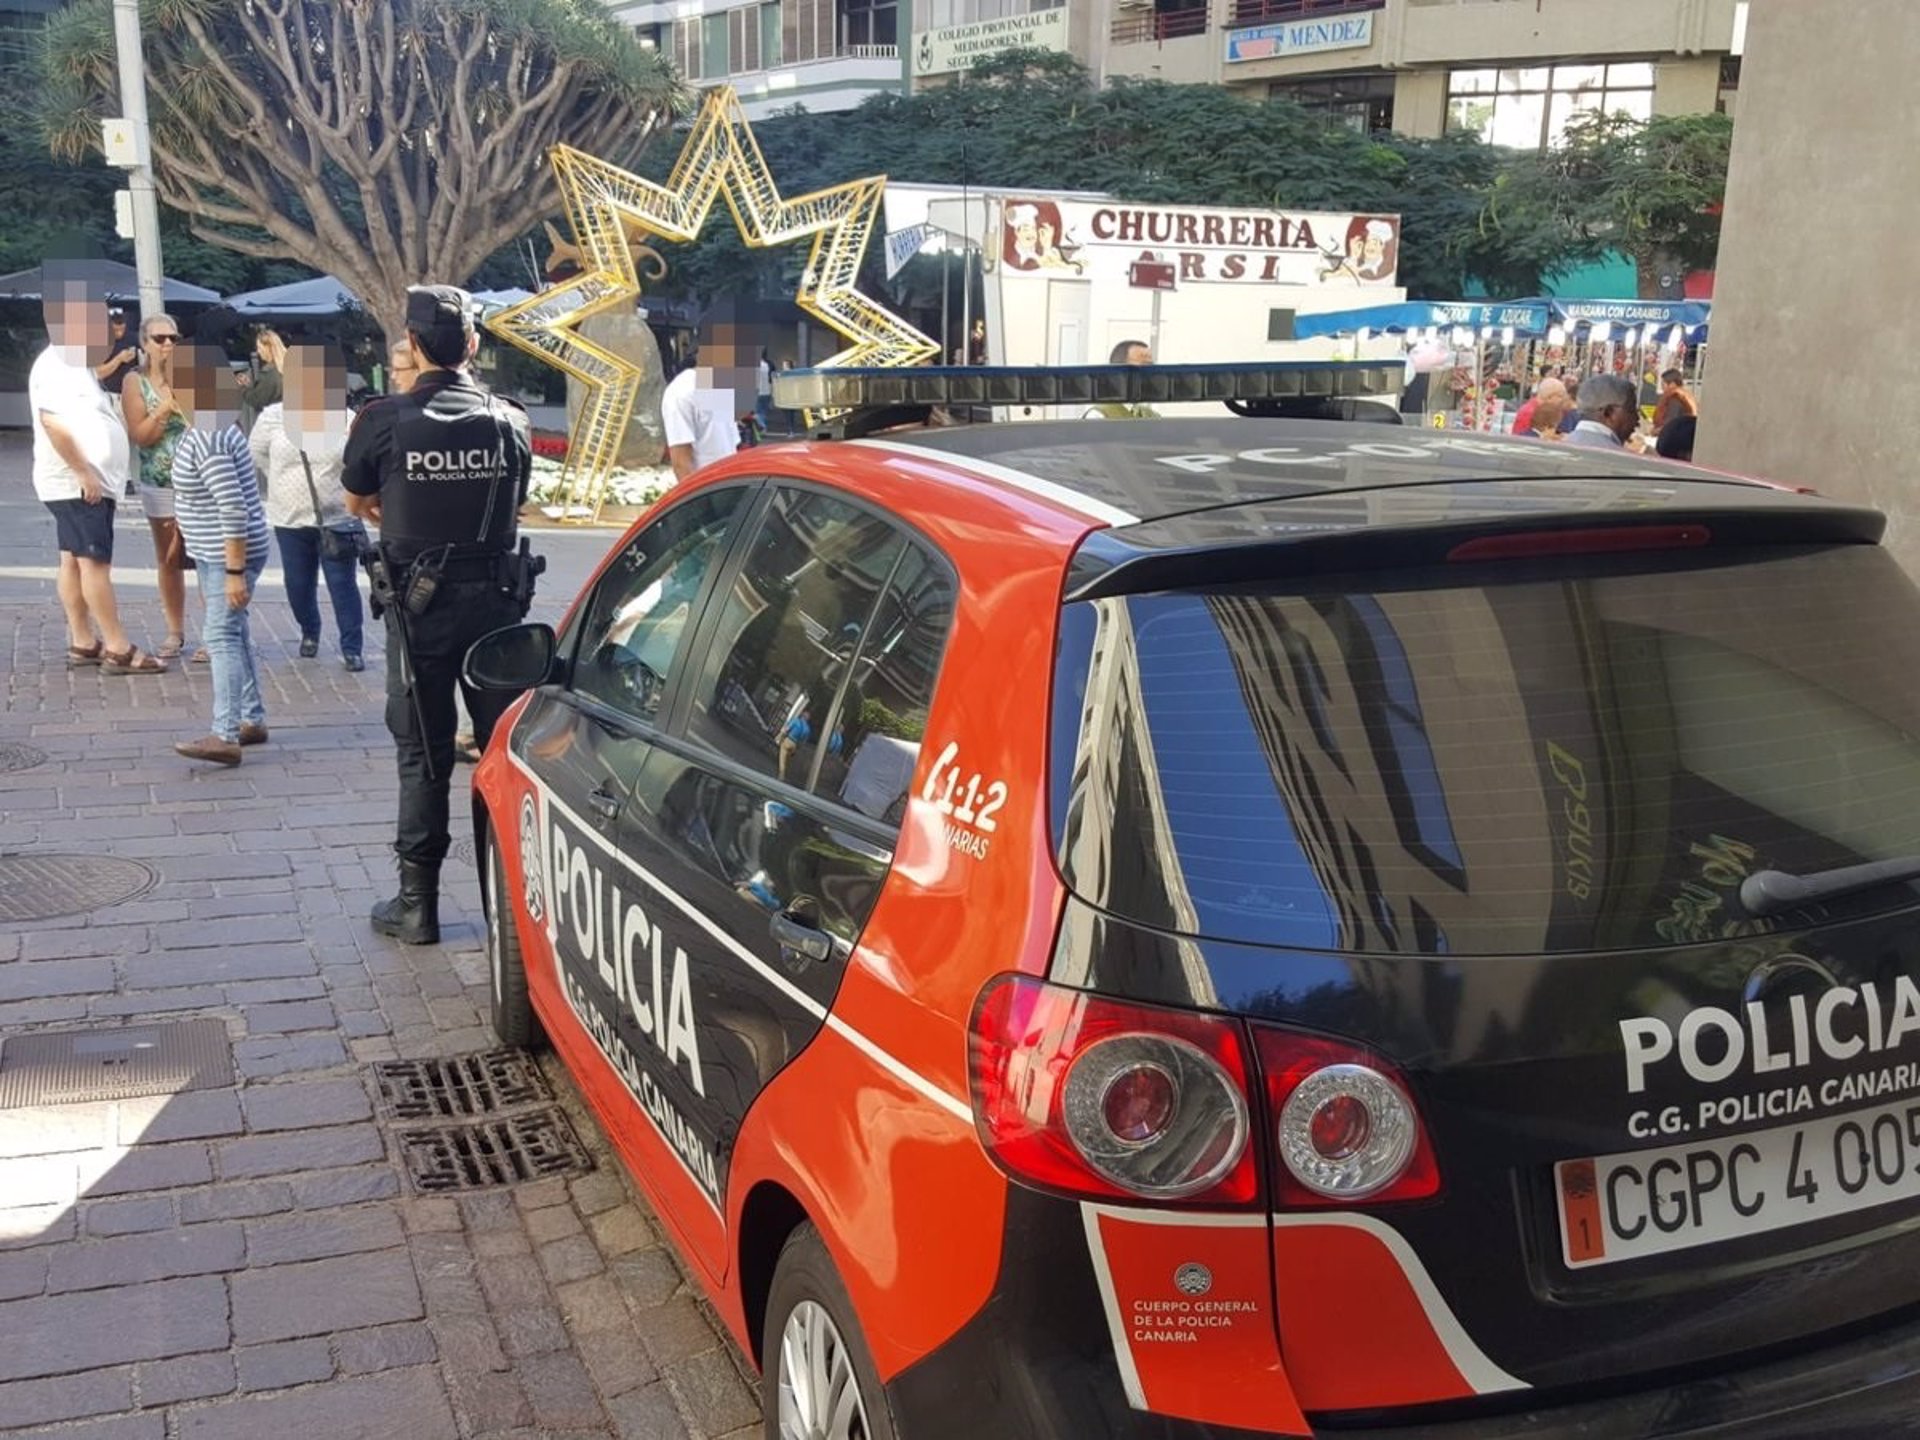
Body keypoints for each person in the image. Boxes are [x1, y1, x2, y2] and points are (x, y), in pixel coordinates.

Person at [343, 285, 536, 945]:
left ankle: (417, 905)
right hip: (499, 609)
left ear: (415, 346)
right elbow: (516, 503)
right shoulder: (510, 418)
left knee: (422, 754)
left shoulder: (382, 419)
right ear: (474, 347)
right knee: (505, 752)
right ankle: (512, 901)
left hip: (418, 610)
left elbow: (355, 497)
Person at [31, 269, 165, 676]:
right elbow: (53, 423)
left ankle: (83, 640)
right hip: (78, 483)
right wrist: (85, 472)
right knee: (94, 563)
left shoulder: (76, 362)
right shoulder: (57, 364)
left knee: (72, 560)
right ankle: (118, 647)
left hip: (80, 481)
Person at [170, 342, 271, 764]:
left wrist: (233, 571)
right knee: (235, 632)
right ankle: (250, 718)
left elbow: (232, 505)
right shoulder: (215, 426)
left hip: (229, 553)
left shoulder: (207, 435)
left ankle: (225, 732)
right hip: (223, 551)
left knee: (222, 636)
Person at [252, 341, 366, 672]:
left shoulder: (348, 419)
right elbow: (257, 454)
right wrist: (282, 481)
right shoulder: (273, 417)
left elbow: (359, 462)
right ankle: (309, 631)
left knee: (342, 585)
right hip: (289, 517)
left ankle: (351, 647)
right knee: (298, 584)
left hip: (338, 517)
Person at [120, 313, 192, 659]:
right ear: (144, 343)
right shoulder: (135, 382)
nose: (167, 345)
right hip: (160, 481)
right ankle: (175, 630)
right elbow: (142, 437)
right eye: (159, 339)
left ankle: (217, 634)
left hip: (201, 484)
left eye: (172, 338)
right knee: (169, 558)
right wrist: (165, 408)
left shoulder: (197, 376)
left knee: (211, 557)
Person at [663, 301, 748, 481]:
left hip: (730, 488)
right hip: (706, 494)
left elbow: (731, 449)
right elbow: (681, 463)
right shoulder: (682, 392)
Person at [1564, 373, 1642, 450]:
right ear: (1609, 412)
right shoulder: (1623, 460)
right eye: (1631, 410)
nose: (1637, 419)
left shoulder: (1559, 447)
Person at [1092, 338, 1159, 420]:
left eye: (1151, 367)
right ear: (1119, 371)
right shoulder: (1099, 414)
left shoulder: (1151, 415)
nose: (1150, 373)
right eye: (1144, 366)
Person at [238, 328, 286, 434]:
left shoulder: (270, 374)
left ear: (268, 348)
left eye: (260, 348)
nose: (259, 352)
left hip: (273, 427)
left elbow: (256, 400)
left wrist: (243, 387)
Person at [95, 308, 139, 397]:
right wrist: (119, 359)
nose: (119, 333)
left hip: (131, 391)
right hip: (109, 393)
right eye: (115, 330)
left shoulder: (133, 338)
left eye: (122, 329)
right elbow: (98, 373)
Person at [1512, 377, 1571, 441]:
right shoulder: (1530, 412)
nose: (1562, 400)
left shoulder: (1540, 409)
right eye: (1560, 396)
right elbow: (1527, 439)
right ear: (1549, 396)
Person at [1652, 368, 1698, 434]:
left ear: (1672, 384)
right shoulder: (1683, 395)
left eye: (1663, 384)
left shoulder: (1676, 398)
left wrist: (1655, 431)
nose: (1662, 387)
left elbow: (1671, 424)